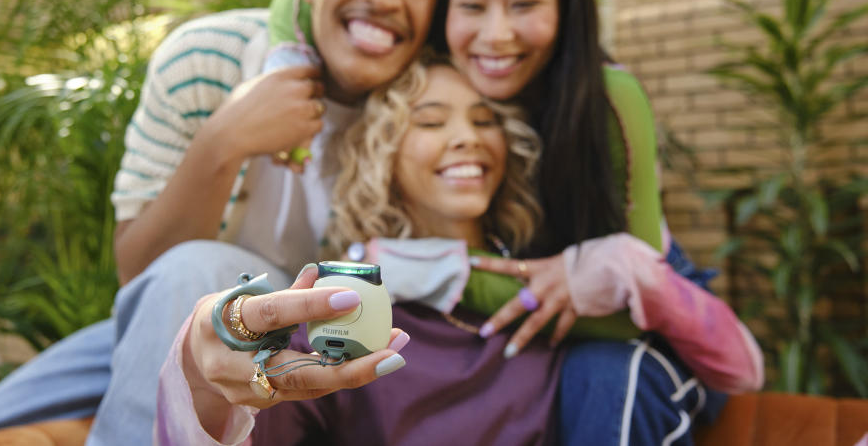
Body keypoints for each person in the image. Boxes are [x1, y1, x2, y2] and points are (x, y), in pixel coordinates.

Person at [0, 0, 449, 444]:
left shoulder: (438, 112)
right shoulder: (207, 58)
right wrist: (221, 143)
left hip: (322, 346)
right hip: (170, 318)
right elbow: (142, 273)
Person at [156, 58, 762, 445]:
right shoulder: (341, 312)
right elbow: (252, 419)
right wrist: (202, 382)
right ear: (381, 151)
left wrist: (634, 269)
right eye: (429, 120)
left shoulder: (560, 288)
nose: (466, 136)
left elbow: (734, 368)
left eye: (484, 118)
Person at [440, 0, 761, 443]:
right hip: (527, 311)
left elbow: (629, 311)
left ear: (567, 6)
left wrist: (432, 272)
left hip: (647, 317)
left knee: (607, 376)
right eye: (471, 4)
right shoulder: (428, 94)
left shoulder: (610, 99)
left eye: (526, 3)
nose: (496, 34)